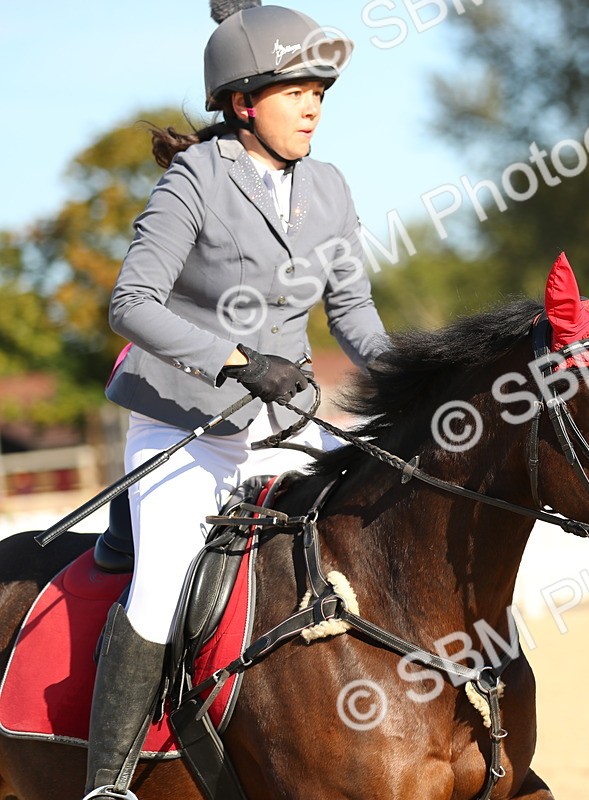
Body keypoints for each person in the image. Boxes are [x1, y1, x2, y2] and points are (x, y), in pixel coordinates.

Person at [84, 2, 388, 797]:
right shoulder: (196, 177)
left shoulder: (328, 186)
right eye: (296, 89)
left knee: (388, 518)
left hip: (287, 420)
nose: (316, 103)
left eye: (320, 88)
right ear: (243, 101)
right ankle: (108, 781)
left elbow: (352, 316)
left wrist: (415, 385)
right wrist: (237, 359)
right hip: (187, 422)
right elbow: (132, 302)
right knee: (160, 589)